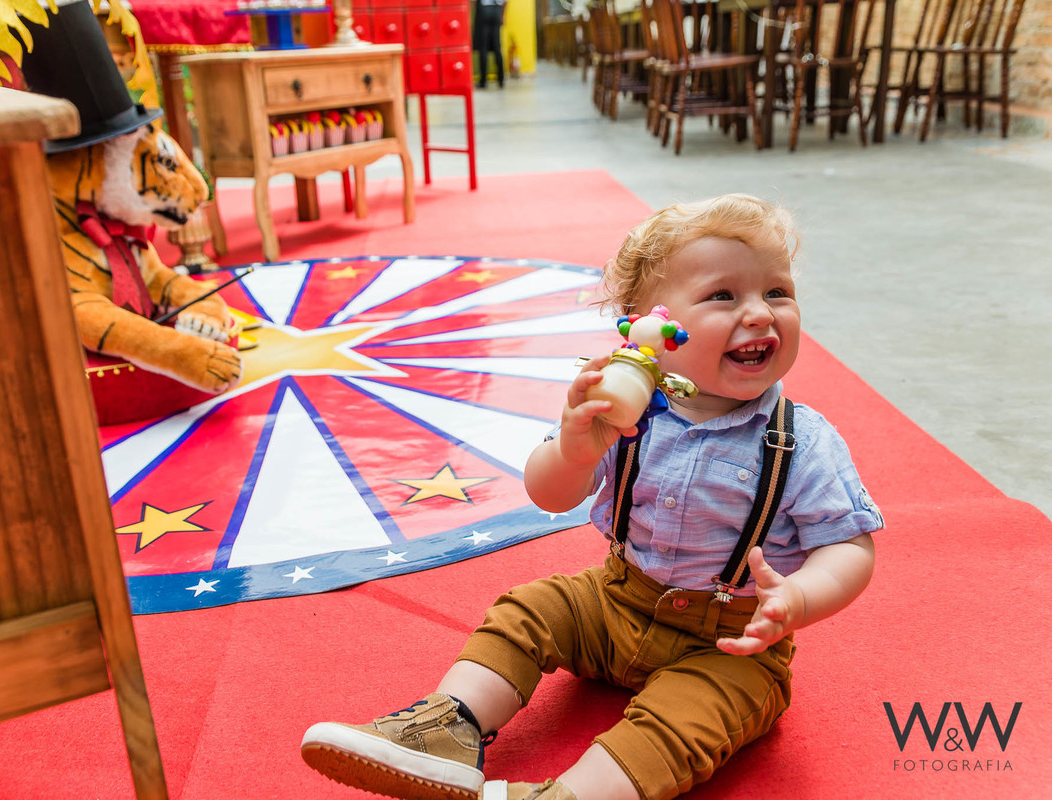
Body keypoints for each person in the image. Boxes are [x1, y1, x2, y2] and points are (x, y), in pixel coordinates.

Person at [300, 194, 883, 800]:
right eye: (723, 296)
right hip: (616, 598)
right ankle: (449, 725)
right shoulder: (621, 406)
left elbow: (850, 547)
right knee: (527, 610)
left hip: (731, 642)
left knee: (682, 723)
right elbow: (549, 493)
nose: (761, 314)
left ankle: (569, 796)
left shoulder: (801, 439)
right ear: (651, 326)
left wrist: (798, 597)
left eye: (777, 293)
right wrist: (575, 449)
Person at [474, 0, 506, 89]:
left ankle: (483, 81)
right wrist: (502, 15)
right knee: (497, 47)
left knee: (483, 47)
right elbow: (505, 2)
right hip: (497, 11)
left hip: (484, 10)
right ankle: (501, 79)